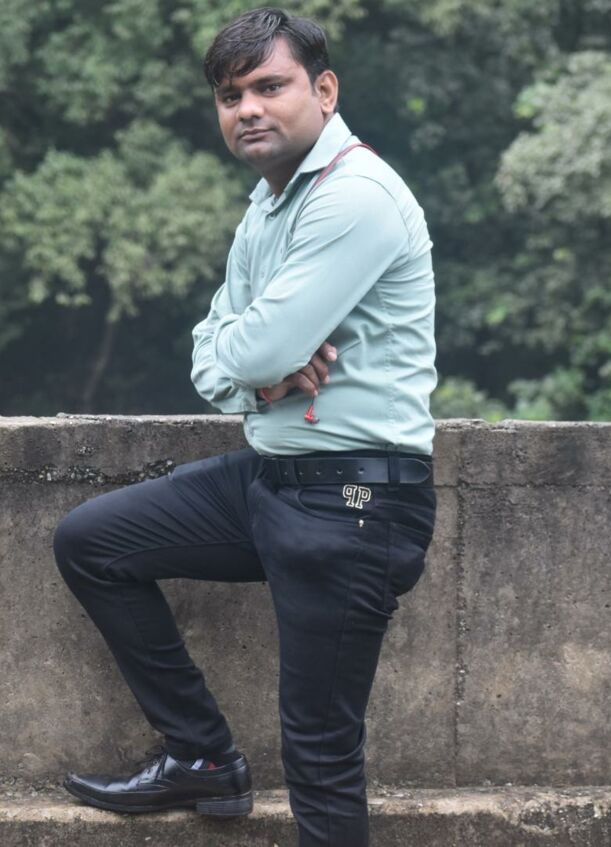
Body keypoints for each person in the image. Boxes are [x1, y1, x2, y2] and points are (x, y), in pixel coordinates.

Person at [52, 7, 437, 846]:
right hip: (271, 478)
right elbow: (214, 358)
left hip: (354, 500)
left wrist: (255, 357)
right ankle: (202, 756)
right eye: (231, 97)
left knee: (320, 757)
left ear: (324, 90)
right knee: (93, 542)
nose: (248, 109)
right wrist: (258, 377)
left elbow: (258, 344)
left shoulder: (356, 196)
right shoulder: (268, 205)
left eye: (270, 87)